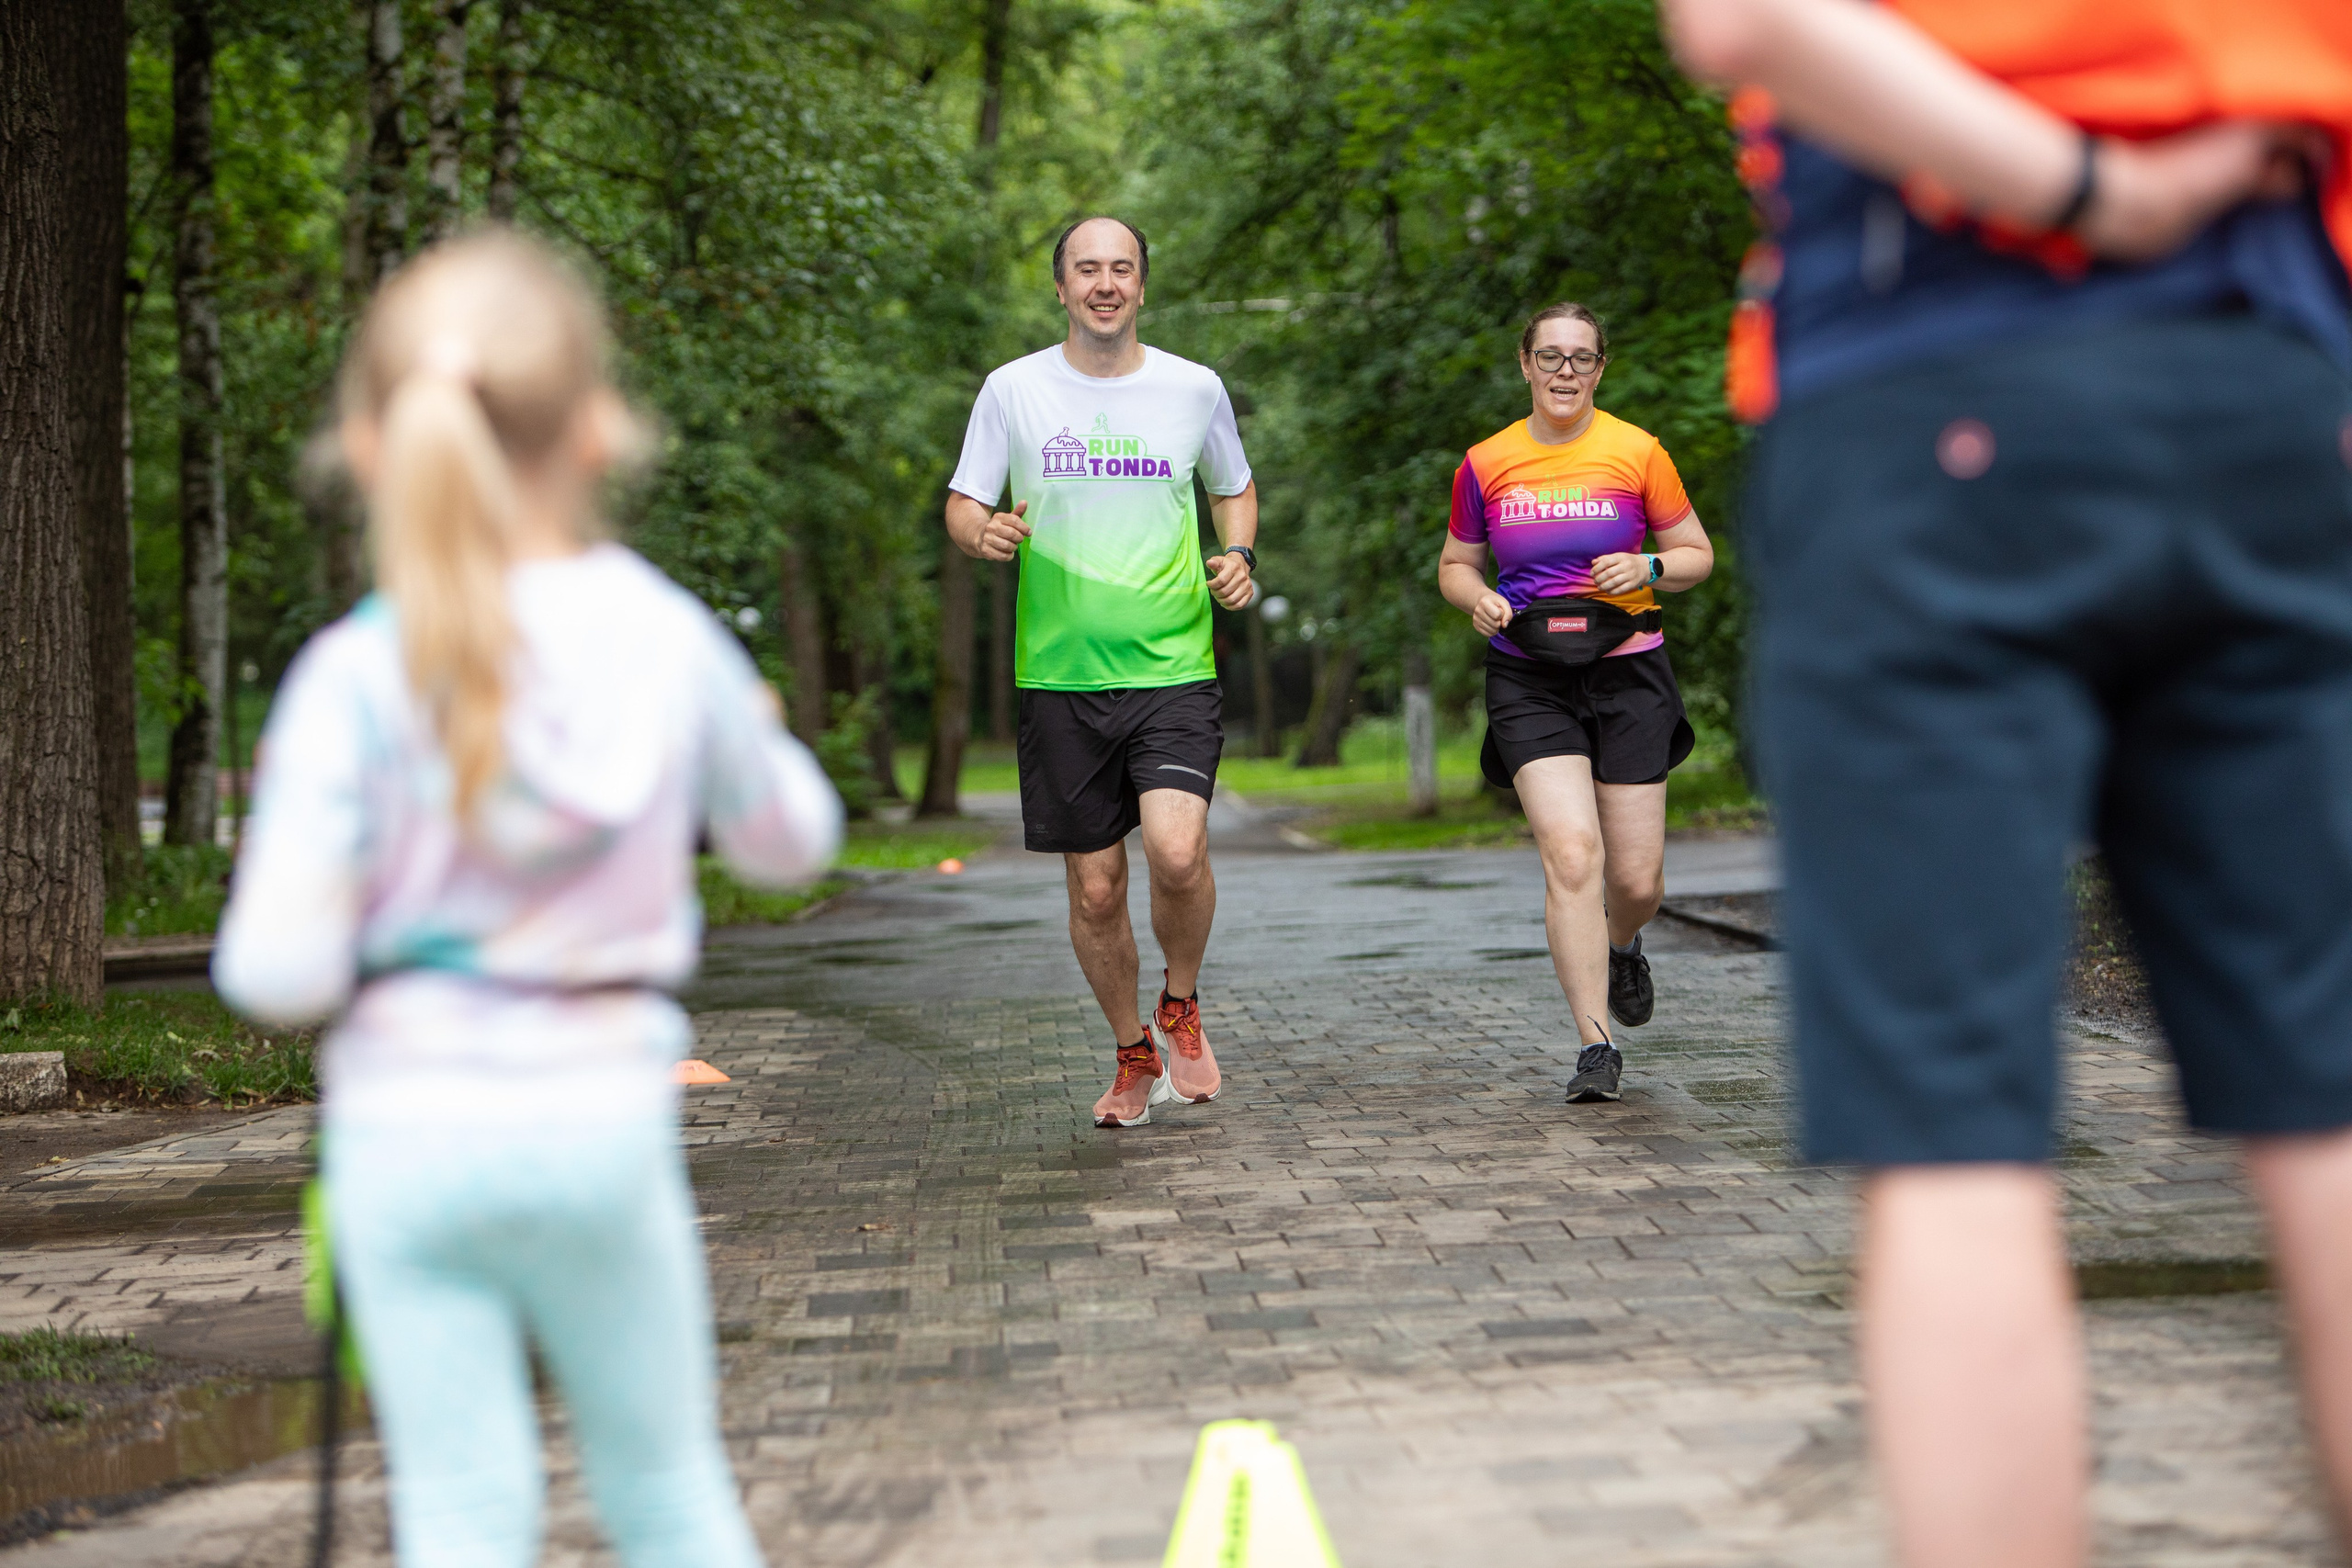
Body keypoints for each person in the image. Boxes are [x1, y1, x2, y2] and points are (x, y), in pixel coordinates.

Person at [1657, 0, 2352, 1562]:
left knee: (1951, 1124)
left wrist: (2090, 190)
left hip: (1932, 365)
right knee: (2332, 1095)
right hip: (2273, 383)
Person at [212, 232, 841, 1566]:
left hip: (405, 1142)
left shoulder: (351, 674)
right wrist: (759, 732)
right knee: (667, 1490)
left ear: (372, 445)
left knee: (461, 1511)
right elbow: (793, 846)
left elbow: (273, 973)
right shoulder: (663, 634)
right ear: (599, 427)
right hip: (599, 1128)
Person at [944, 216, 1260, 1129]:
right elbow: (964, 503)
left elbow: (1233, 486)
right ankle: (1131, 1050)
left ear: (1142, 286)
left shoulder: (1193, 388)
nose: (1106, 283)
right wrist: (982, 531)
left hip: (1172, 664)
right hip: (1060, 676)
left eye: (1122, 268)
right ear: (1062, 287)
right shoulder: (1012, 390)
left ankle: (1180, 1001)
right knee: (1094, 887)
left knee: (1177, 852)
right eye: (1088, 269)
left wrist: (1239, 553)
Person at [1438, 304, 1716, 1103]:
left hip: (1628, 672)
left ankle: (1623, 942)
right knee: (1571, 854)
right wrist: (1478, 599)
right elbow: (1455, 564)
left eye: (1582, 357)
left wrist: (1650, 567)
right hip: (1529, 676)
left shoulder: (1638, 451)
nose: (1566, 371)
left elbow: (1697, 554)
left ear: (1600, 368)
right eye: (1551, 356)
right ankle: (1596, 1044)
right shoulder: (1486, 463)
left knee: (1636, 881)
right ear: (1525, 363)